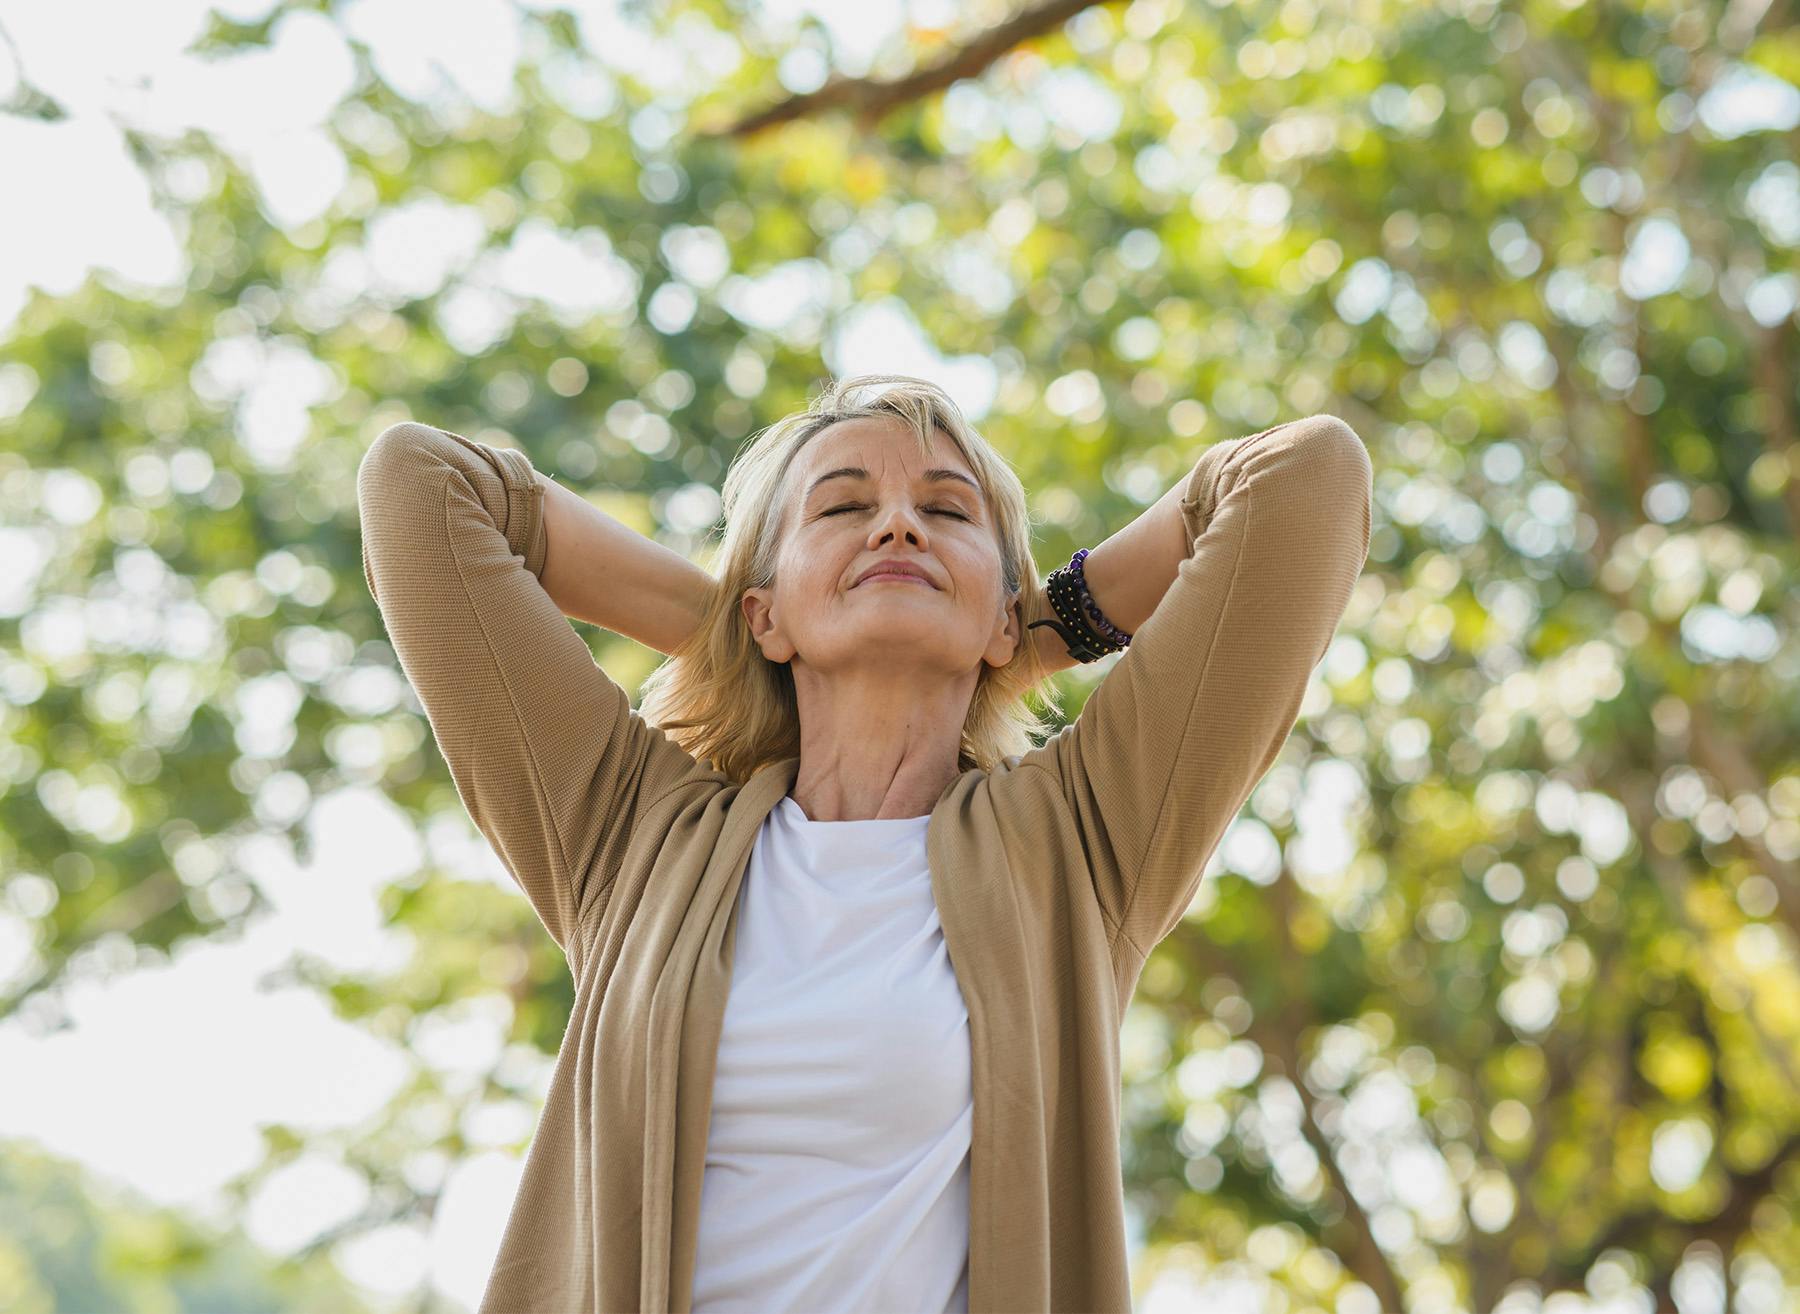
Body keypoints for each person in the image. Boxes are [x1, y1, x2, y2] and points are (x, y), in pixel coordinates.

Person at [355, 373, 1373, 1313]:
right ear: (764, 613)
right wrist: (737, 633)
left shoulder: (1080, 838)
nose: (896, 523)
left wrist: (1032, 632)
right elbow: (421, 485)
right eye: (842, 508)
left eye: (945, 511)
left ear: (1002, 618)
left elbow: (1305, 480)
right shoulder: (631, 832)